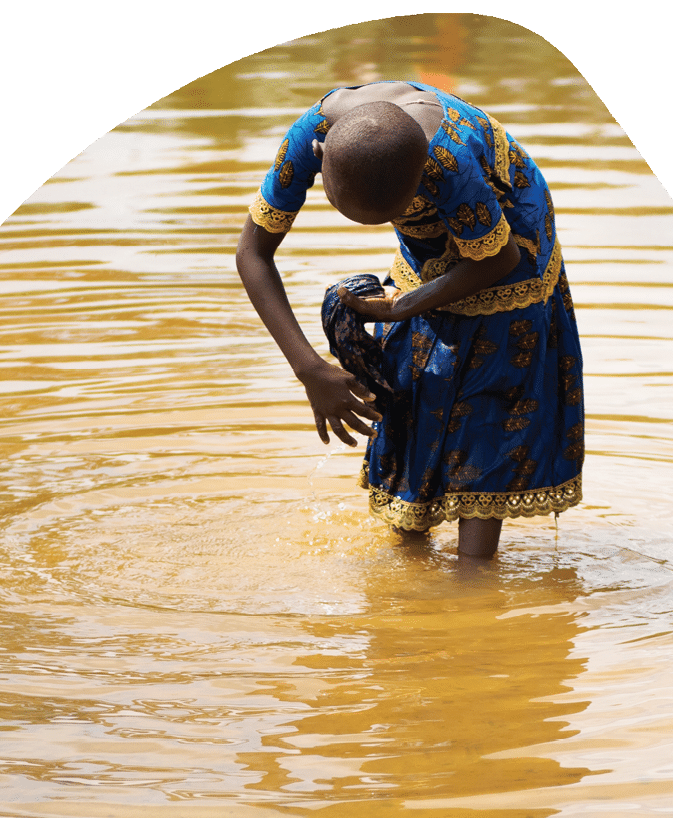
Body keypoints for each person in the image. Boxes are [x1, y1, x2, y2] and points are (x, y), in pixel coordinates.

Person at [235, 81, 584, 559]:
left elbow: (496, 260)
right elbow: (253, 253)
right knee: (410, 383)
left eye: (394, 214)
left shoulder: (449, 163)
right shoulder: (308, 139)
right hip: (426, 250)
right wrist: (309, 369)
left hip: (512, 249)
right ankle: (409, 549)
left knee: (488, 397)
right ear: (321, 160)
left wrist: (402, 306)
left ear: (422, 181)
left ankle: (475, 577)